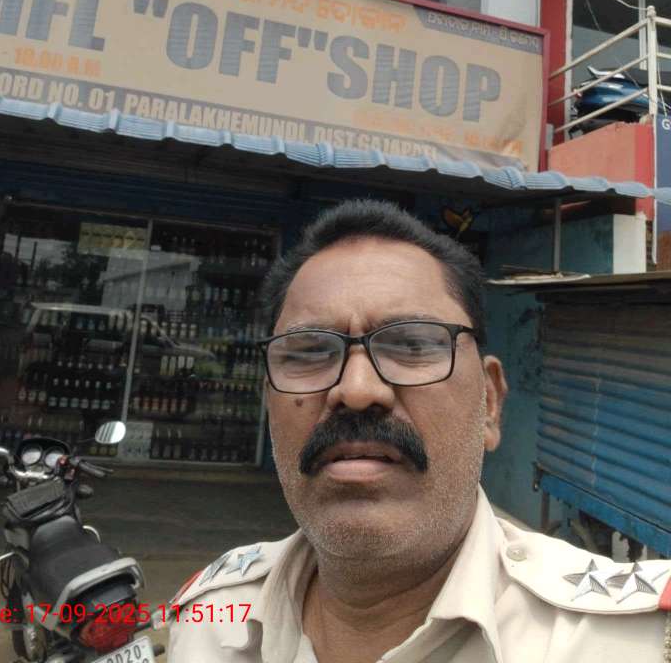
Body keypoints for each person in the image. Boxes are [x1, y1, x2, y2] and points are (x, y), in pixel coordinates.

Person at [167, 200, 671, 663]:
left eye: (411, 345)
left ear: (490, 403)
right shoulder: (210, 619)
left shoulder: (636, 643)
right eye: (311, 352)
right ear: (269, 404)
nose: (356, 390)